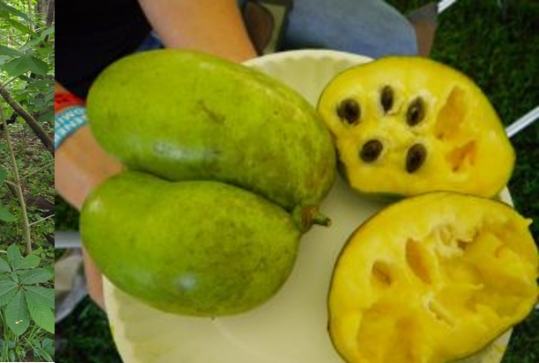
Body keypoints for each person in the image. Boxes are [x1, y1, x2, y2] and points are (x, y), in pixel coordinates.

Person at [55, 0, 437, 311]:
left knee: (391, 39)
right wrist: (82, 161)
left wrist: (249, 87)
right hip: (73, 86)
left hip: (166, 18)